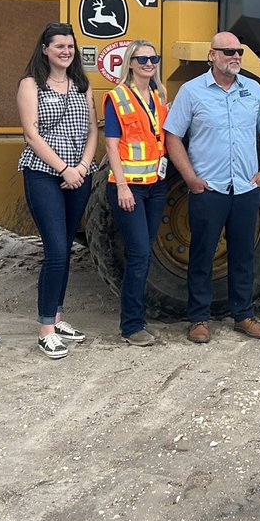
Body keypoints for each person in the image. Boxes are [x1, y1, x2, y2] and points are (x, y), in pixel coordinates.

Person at [163, 31, 260, 344]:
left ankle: (244, 315)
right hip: (208, 190)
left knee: (243, 256)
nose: (235, 57)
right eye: (227, 52)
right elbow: (172, 136)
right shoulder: (192, 91)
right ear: (211, 55)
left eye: (238, 51)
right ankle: (198, 319)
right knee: (201, 256)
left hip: (244, 189)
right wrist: (189, 178)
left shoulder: (252, 90)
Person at [17, 23, 98, 359]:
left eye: (70, 46)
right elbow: (31, 134)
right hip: (44, 174)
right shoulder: (30, 84)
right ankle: (46, 329)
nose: (66, 51)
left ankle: (59, 317)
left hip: (79, 174)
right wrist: (64, 168)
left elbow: (93, 129)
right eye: (59, 46)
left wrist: (81, 168)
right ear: (45, 49)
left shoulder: (82, 84)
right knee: (55, 250)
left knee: (65, 249)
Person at [103, 39, 169, 347]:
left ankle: (137, 319)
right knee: (139, 255)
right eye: (142, 59)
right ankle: (131, 326)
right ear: (130, 63)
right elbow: (111, 146)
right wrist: (123, 186)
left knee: (145, 254)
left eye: (153, 58)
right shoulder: (117, 97)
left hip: (155, 186)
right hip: (129, 189)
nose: (148, 63)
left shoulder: (158, 95)